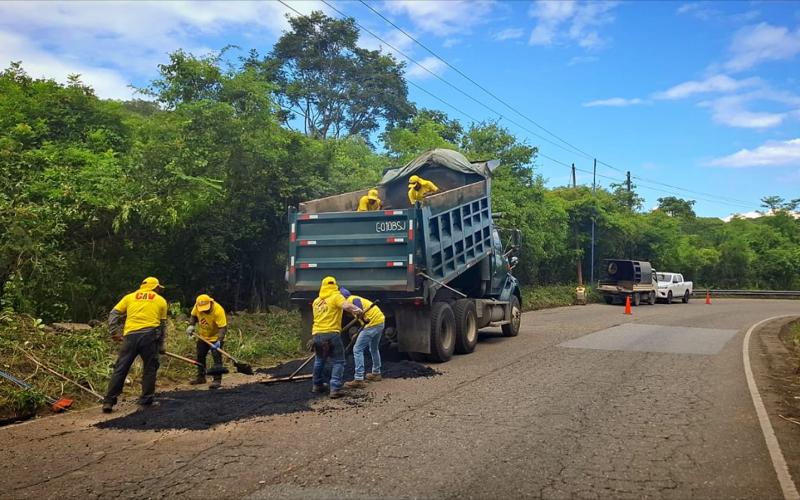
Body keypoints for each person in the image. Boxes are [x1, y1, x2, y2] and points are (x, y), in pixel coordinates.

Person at [102, 277, 168, 413]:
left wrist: (114, 332)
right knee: (150, 367)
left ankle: (108, 401)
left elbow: (113, 313)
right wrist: (161, 344)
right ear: (155, 288)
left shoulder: (130, 297)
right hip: (150, 336)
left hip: (130, 336)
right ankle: (146, 400)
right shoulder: (161, 300)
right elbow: (162, 326)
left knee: (121, 367)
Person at [311, 276, 363, 398]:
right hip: (332, 334)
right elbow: (346, 306)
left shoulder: (316, 301)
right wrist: (358, 310)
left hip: (317, 334)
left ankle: (317, 385)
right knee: (338, 361)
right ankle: (335, 388)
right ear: (335, 285)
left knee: (319, 360)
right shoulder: (336, 296)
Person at [340, 288, 385, 389]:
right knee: (373, 348)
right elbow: (364, 320)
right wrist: (359, 331)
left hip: (372, 324)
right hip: (380, 321)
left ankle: (358, 379)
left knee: (357, 349)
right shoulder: (355, 298)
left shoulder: (351, 300)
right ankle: (376, 373)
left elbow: (362, 314)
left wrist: (361, 331)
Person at [186, 294, 227, 389]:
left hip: (216, 338)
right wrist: (191, 325)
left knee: (216, 358)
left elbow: (222, 328)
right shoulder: (197, 306)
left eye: (206, 308)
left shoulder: (218, 310)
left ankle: (217, 380)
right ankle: (201, 377)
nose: (204, 310)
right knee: (200, 356)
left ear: (210, 303)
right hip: (203, 337)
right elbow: (193, 316)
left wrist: (219, 341)